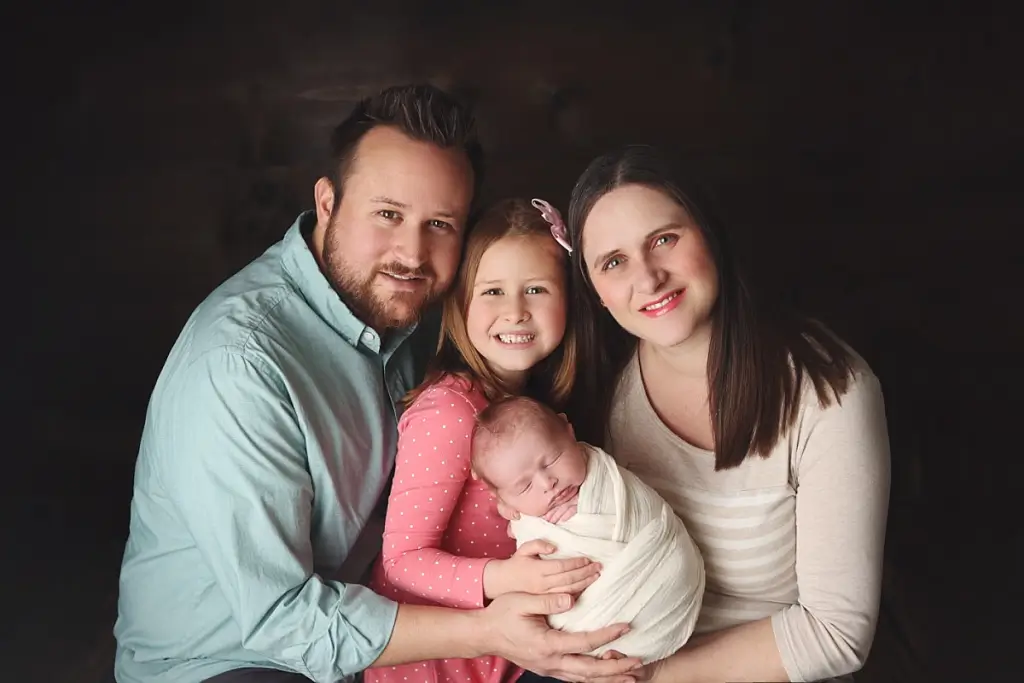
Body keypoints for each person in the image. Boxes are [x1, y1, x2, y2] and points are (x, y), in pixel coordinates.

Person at [112, 84, 642, 683]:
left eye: (440, 224)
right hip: (230, 661)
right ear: (328, 202)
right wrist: (491, 628)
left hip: (375, 643)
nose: (412, 252)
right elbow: (284, 623)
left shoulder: (421, 313)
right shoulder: (240, 365)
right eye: (388, 214)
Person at [558, 144, 892, 682]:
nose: (647, 278)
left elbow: (837, 633)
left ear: (708, 232)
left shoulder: (829, 391)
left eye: (664, 239)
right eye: (614, 262)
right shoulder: (593, 388)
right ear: (595, 290)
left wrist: (651, 677)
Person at [363, 197, 617, 683]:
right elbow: (402, 562)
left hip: (514, 656)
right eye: (493, 291)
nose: (516, 312)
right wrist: (504, 578)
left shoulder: (549, 408)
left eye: (537, 289)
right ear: (461, 304)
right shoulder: (451, 412)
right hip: (435, 668)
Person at [472, 395, 706, 665]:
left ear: (569, 431)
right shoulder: (520, 510)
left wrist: (583, 508)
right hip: (587, 631)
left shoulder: (603, 478)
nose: (548, 483)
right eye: (524, 486)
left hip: (669, 580)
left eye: (552, 460)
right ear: (501, 497)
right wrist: (522, 518)